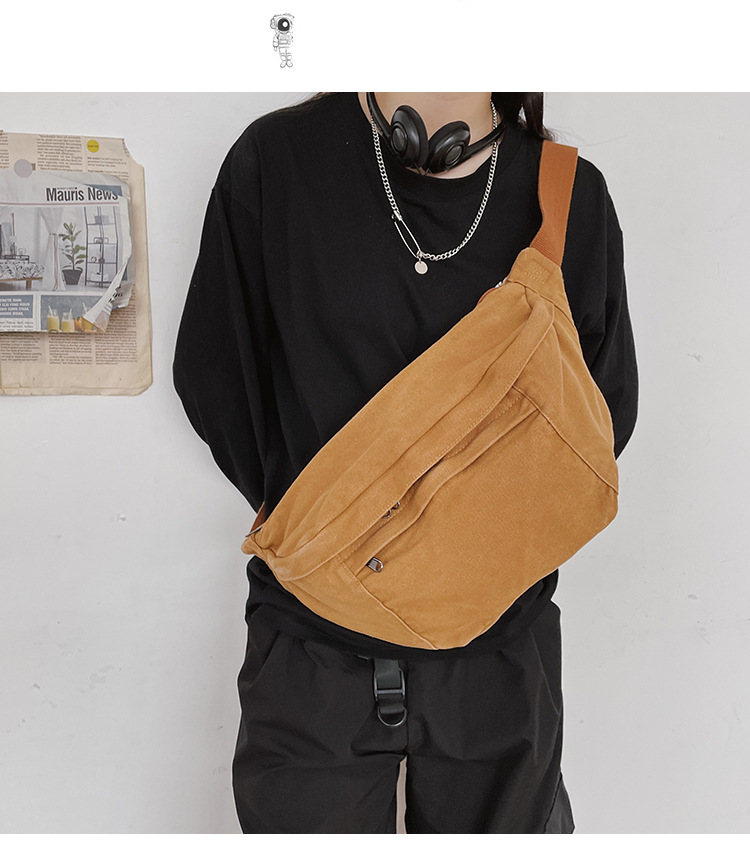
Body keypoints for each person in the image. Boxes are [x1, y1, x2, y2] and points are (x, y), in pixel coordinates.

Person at [172, 92, 639, 833]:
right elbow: (216, 377)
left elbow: (593, 424)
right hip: (313, 648)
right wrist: (344, 534)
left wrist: (352, 536)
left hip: (496, 661)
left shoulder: (569, 194)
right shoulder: (277, 161)